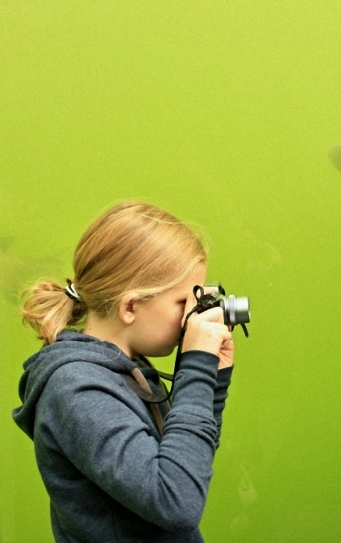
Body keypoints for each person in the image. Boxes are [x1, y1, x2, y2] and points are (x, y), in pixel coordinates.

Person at [12, 200, 234, 542]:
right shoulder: (77, 390)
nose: (194, 312)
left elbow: (185, 462)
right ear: (130, 306)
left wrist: (211, 382)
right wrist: (196, 369)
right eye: (183, 301)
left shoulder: (127, 369)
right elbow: (177, 503)